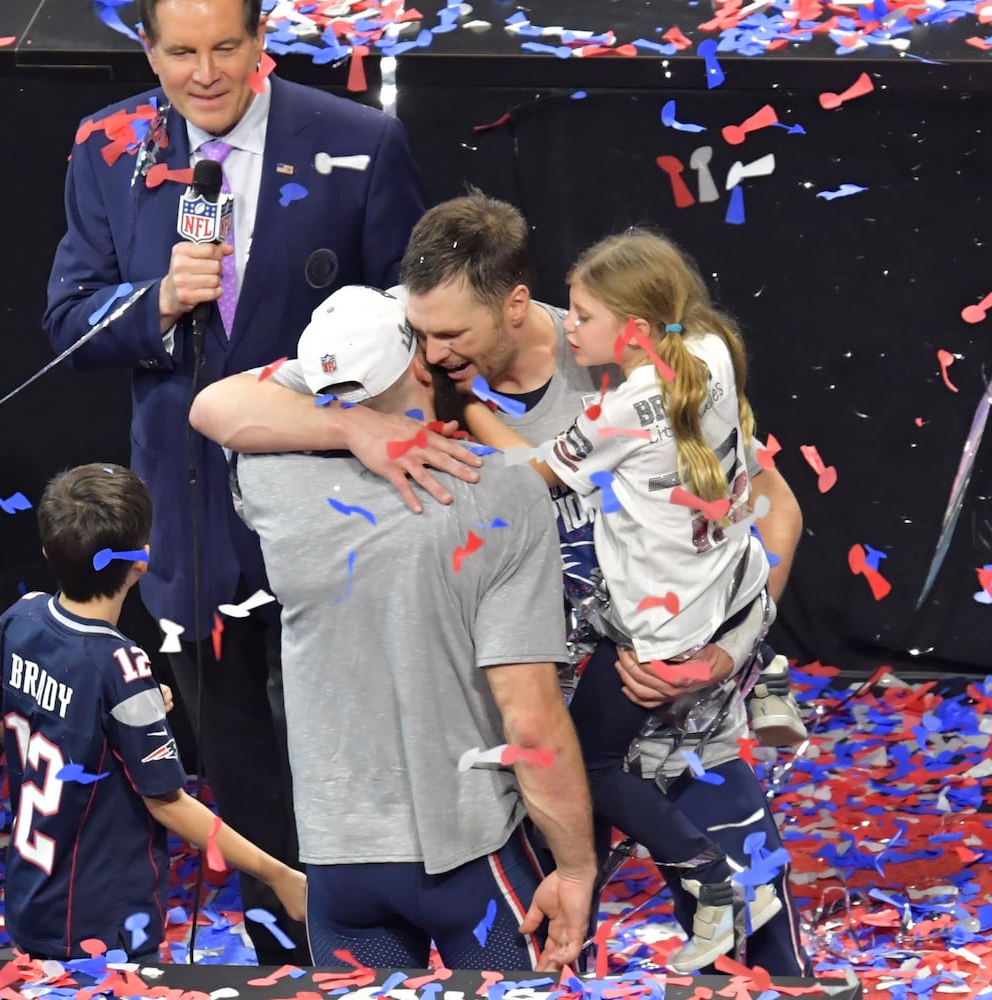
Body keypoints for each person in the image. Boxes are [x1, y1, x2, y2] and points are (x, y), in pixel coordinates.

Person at [188, 193, 811, 976]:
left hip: (652, 696)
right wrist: (355, 427)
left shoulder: (615, 365)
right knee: (542, 948)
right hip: (509, 747)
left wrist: (724, 651)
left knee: (750, 939)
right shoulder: (396, 342)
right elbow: (218, 404)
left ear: (516, 306)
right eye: (418, 332)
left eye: (452, 336)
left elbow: (774, 509)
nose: (432, 355)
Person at [41, 0, 423, 962]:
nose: (203, 73)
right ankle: (284, 950)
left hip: (334, 501)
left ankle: (377, 941)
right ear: (148, 50)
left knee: (343, 731)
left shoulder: (359, 141)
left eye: (225, 49)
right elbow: (68, 316)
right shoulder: (107, 146)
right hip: (188, 509)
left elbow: (415, 325)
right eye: (180, 53)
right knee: (235, 744)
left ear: (261, 44)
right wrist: (159, 300)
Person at [220, 285, 595, 973]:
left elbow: (217, 404)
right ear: (422, 361)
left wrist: (345, 424)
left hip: (337, 861)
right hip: (464, 854)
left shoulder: (264, 479)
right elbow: (530, 719)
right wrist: (572, 867)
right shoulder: (502, 494)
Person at [460, 230, 781, 973]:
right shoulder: (706, 350)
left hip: (661, 623)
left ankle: (712, 883)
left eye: (580, 315)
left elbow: (531, 475)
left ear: (632, 329)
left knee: (587, 763)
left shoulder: (624, 408)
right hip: (722, 589)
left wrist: (464, 405)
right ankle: (766, 672)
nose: (566, 327)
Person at [0, 464, 306, 962]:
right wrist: (278, 875)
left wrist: (90, 726)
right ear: (141, 562)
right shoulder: (123, 667)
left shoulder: (20, 618)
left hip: (32, 899)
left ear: (47, 551)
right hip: (109, 920)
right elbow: (169, 803)